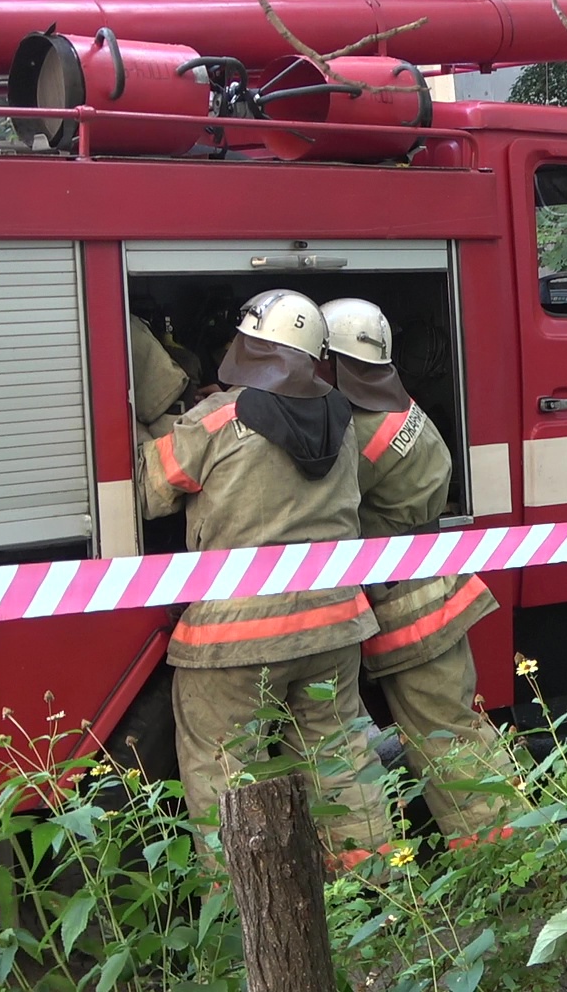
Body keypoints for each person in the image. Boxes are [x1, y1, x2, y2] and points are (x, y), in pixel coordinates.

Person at [136, 289, 391, 865]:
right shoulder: (342, 418)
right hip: (333, 622)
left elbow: (150, 493)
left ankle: (239, 918)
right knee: (341, 758)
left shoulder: (217, 418)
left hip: (235, 635)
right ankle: (375, 887)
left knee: (226, 773)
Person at [318, 298, 523, 850]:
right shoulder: (401, 408)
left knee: (444, 736)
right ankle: (521, 842)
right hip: (436, 584)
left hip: (405, 604)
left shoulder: (356, 433)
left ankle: (506, 855)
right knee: (460, 724)